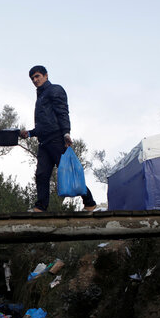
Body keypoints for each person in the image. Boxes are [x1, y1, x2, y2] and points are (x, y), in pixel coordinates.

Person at [20, 65, 97, 212]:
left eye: (37, 76)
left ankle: (90, 203)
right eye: (32, 78)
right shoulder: (40, 97)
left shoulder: (55, 89)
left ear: (46, 75)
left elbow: (63, 113)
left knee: (69, 172)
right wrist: (29, 133)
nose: (35, 80)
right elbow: (43, 125)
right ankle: (41, 207)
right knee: (41, 175)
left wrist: (66, 133)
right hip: (43, 143)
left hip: (56, 139)